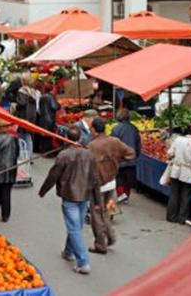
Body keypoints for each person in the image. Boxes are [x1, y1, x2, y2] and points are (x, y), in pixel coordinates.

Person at [39, 126, 101, 275]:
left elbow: (53, 176)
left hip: (69, 196)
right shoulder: (89, 154)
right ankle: (68, 252)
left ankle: (83, 262)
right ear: (80, 138)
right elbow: (95, 179)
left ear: (66, 137)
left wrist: (43, 191)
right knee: (76, 227)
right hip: (84, 195)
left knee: (74, 228)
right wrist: (97, 200)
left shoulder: (63, 155)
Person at [87, 118, 135, 254]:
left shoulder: (92, 146)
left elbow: (88, 167)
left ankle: (101, 244)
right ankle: (111, 237)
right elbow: (131, 153)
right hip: (112, 184)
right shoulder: (115, 142)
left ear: (94, 130)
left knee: (96, 215)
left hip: (98, 187)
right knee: (108, 212)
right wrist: (117, 161)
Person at [111, 109, 141, 203]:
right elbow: (138, 144)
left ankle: (121, 194)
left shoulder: (116, 128)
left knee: (119, 178)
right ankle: (126, 196)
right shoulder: (134, 128)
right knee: (128, 179)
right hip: (131, 158)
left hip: (120, 158)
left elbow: (113, 144)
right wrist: (136, 155)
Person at [16, 73, 38, 158]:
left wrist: (16, 106)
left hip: (24, 115)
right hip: (32, 116)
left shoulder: (22, 91)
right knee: (29, 137)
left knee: (22, 136)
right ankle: (29, 155)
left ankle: (23, 155)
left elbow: (21, 103)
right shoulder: (33, 91)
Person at [37, 85, 60, 153]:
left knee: (44, 135)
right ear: (52, 89)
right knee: (48, 136)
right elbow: (54, 107)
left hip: (42, 118)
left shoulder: (42, 96)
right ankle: (48, 151)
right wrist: (58, 104)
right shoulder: (50, 97)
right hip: (49, 118)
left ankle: (44, 150)